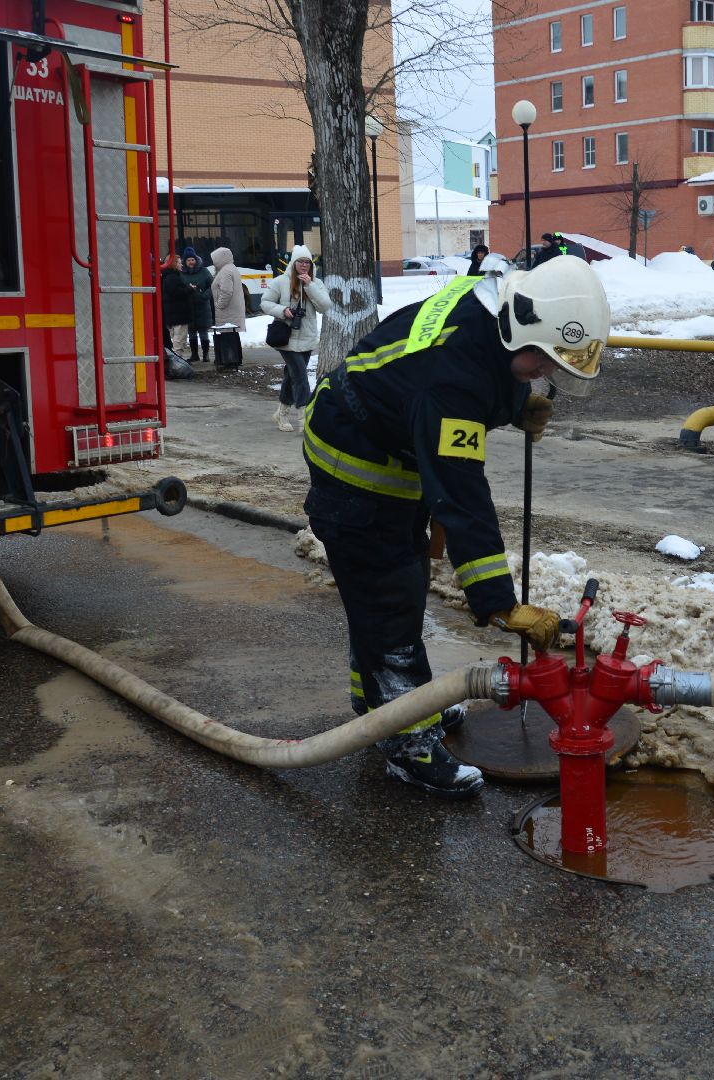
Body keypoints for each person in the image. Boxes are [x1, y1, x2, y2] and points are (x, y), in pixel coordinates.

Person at [301, 255, 611, 798]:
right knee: (388, 593)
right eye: (544, 363)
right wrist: (499, 601)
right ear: (523, 327)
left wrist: (517, 404)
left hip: (387, 436)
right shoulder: (451, 387)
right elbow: (462, 497)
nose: (545, 374)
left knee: (392, 591)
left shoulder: (489, 303)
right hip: (352, 463)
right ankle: (409, 742)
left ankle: (384, 703)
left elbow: (494, 364)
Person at [260, 244, 332, 431]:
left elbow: (325, 306)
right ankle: (305, 418)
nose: (304, 265)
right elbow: (265, 303)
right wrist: (283, 310)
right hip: (286, 338)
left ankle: (281, 413)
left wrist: (310, 286)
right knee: (300, 376)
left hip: (307, 337)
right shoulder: (280, 282)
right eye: (300, 261)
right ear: (293, 263)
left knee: (291, 377)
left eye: (307, 262)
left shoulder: (315, 282)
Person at [181, 247, 214, 362]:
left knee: (203, 332)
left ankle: (206, 355)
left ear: (196, 260)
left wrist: (205, 295)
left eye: (192, 260)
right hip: (188, 307)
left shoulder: (204, 271)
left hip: (202, 306)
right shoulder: (181, 273)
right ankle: (194, 354)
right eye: (188, 260)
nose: (191, 262)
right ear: (185, 262)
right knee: (192, 333)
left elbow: (212, 286)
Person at [160, 252, 192, 356]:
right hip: (179, 313)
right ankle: (177, 362)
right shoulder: (172, 277)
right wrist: (190, 289)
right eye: (179, 262)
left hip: (173, 313)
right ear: (173, 264)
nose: (181, 264)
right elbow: (176, 293)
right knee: (179, 340)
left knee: (175, 338)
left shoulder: (167, 276)